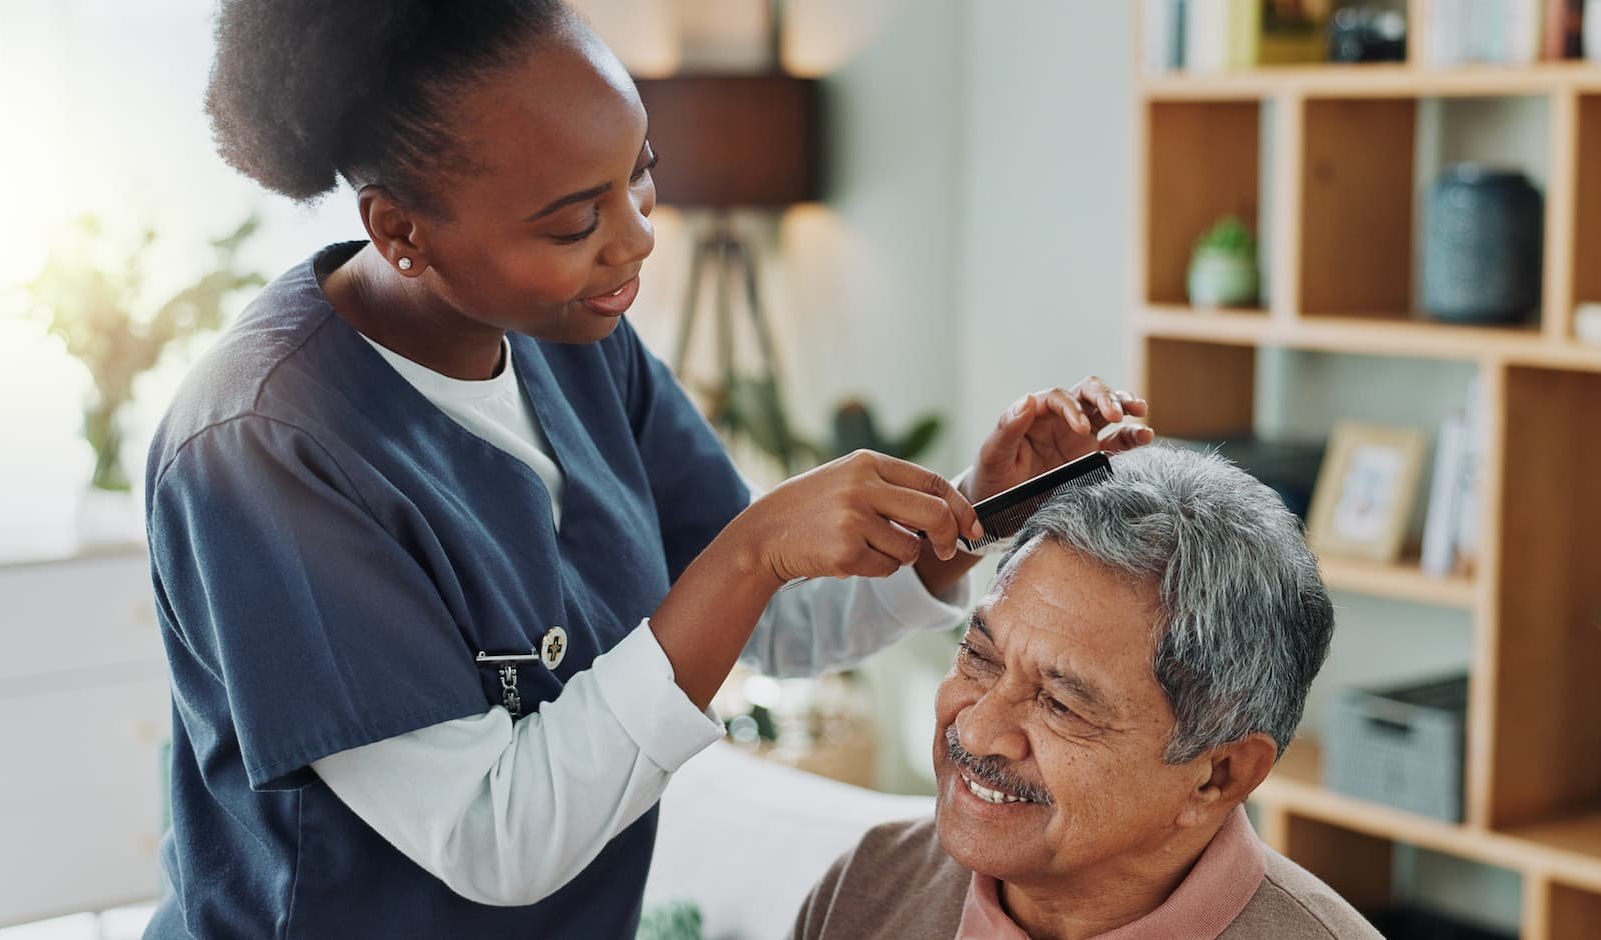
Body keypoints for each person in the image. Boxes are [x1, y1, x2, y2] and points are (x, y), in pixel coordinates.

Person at [144, 1, 1154, 936]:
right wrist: (753, 549)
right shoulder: (262, 448)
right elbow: (499, 839)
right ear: (399, 230)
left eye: (639, 171)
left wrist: (976, 507)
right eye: (574, 222)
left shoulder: (574, 343)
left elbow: (775, 624)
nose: (637, 238)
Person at [793, 446, 1380, 939]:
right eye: (979, 658)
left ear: (1218, 774)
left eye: (1061, 704)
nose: (974, 729)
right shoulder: (869, 887)